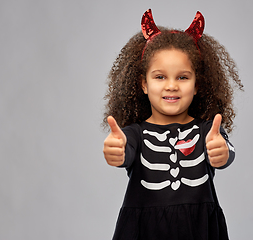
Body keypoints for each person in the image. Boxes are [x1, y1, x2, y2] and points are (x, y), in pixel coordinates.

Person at [102, 9, 243, 240]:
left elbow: (226, 150)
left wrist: (223, 153)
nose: (171, 86)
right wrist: (116, 151)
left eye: (183, 77)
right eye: (160, 77)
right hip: (143, 232)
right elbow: (124, 151)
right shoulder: (135, 134)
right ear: (143, 84)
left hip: (200, 230)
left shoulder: (207, 131)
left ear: (197, 85)